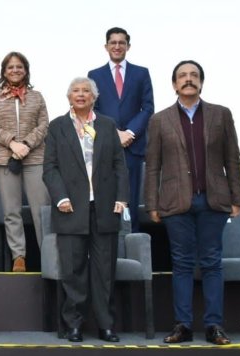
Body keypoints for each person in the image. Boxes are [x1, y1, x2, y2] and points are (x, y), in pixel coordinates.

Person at [144, 60, 240, 346]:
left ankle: (214, 326)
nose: (188, 79)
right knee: (182, 264)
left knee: (213, 263)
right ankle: (183, 326)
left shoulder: (221, 115)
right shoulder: (159, 120)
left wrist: (238, 198)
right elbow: (153, 166)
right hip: (176, 203)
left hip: (214, 200)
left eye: (194, 75)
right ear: (174, 84)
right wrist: (152, 203)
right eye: (182, 76)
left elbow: (232, 159)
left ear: (201, 81)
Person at [42, 77, 129, 343]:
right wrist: (60, 197)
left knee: (104, 271)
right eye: (76, 91)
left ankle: (106, 325)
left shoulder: (106, 124)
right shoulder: (57, 127)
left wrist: (122, 197)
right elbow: (50, 168)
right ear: (69, 97)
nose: (81, 95)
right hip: (69, 208)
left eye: (86, 91)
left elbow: (119, 165)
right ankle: (74, 325)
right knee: (73, 270)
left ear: (94, 97)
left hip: (104, 207)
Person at [0, 51, 51, 272]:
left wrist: (26, 145)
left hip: (35, 158)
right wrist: (13, 144)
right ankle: (18, 257)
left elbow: (43, 125)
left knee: (41, 209)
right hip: (3, 158)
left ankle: (49, 255)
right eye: (10, 67)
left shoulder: (37, 97)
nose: (15, 70)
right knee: (11, 210)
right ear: (4, 71)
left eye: (19, 67)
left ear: (26, 70)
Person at [88, 27, 154, 232]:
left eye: (121, 42)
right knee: (106, 196)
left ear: (128, 46)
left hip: (133, 146)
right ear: (106, 46)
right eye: (113, 42)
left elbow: (148, 107)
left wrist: (130, 133)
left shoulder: (141, 73)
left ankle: (131, 245)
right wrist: (114, 133)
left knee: (131, 199)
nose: (117, 46)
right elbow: (92, 109)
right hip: (105, 145)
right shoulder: (94, 75)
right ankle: (108, 246)